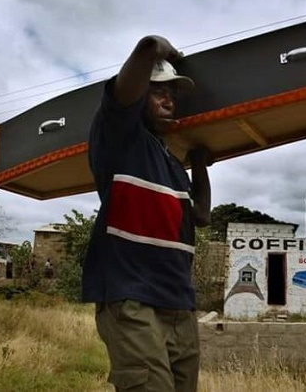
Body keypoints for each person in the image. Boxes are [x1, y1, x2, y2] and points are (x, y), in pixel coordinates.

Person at [82, 35, 212, 392]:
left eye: (173, 93)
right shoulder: (119, 136)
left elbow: (201, 216)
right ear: (139, 96)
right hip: (132, 297)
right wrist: (163, 48)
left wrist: (198, 163)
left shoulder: (170, 163)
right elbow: (147, 47)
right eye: (158, 91)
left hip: (178, 301)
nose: (169, 98)